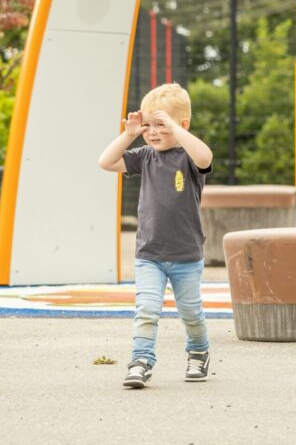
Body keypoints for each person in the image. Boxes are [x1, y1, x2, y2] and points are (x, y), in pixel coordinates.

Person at [98, 82, 214, 389]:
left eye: (160, 125)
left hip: (186, 255)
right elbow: (106, 162)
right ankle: (141, 361)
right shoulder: (144, 156)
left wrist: (174, 128)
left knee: (191, 312)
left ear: (182, 125)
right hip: (149, 254)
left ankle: (198, 352)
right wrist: (129, 134)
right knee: (147, 310)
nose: (153, 132)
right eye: (148, 125)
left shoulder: (188, 157)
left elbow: (205, 157)